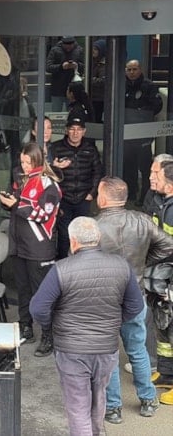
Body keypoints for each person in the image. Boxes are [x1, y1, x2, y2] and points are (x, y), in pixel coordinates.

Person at [30, 216, 144, 436]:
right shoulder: (122, 265)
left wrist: (51, 327)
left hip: (71, 350)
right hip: (106, 347)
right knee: (98, 398)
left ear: (73, 241)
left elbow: (38, 308)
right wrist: (114, 322)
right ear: (98, 238)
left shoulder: (61, 269)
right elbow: (136, 306)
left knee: (78, 407)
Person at [95, 177, 173, 423]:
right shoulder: (141, 220)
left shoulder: (94, 225)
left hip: (105, 297)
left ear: (104, 197)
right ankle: (148, 400)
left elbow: (79, 261)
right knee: (137, 350)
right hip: (134, 294)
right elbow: (168, 245)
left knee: (109, 354)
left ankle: (114, 408)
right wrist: (142, 263)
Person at [0, 142, 61, 356]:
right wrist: (6, 200)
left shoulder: (49, 184)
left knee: (42, 293)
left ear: (38, 161)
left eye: (28, 162)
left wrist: (14, 204)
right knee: (22, 289)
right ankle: (26, 327)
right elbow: (15, 205)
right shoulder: (20, 178)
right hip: (18, 244)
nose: (24, 166)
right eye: (22, 162)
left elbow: (42, 215)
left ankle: (48, 335)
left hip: (39, 247)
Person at [48, 116, 103, 258]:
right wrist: (55, 167)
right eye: (72, 129)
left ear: (84, 131)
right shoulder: (56, 148)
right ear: (67, 130)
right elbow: (48, 174)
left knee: (83, 236)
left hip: (84, 199)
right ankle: (63, 265)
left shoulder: (90, 149)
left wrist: (92, 193)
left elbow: (98, 172)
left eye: (79, 129)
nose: (75, 132)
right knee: (65, 236)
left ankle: (82, 263)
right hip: (63, 199)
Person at [124, 60, 163, 205]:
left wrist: (141, 112)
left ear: (140, 70)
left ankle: (144, 197)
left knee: (145, 167)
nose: (132, 72)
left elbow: (157, 105)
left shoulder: (149, 86)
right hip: (126, 132)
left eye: (135, 69)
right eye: (129, 69)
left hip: (143, 133)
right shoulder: (121, 85)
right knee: (128, 165)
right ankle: (131, 193)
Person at [150, 161, 173, 404]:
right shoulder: (163, 203)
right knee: (164, 327)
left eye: (157, 174)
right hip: (163, 276)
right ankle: (166, 374)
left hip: (171, 278)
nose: (153, 177)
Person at [46, 36, 85, 112]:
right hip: (58, 87)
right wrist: (61, 67)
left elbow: (85, 66)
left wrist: (76, 65)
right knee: (56, 112)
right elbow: (48, 67)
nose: (68, 47)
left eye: (70, 45)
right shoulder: (55, 50)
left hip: (72, 88)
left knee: (72, 111)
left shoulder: (79, 50)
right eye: (66, 45)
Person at [90, 39, 107, 123]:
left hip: (100, 98)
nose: (93, 51)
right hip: (93, 96)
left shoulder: (104, 64)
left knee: (97, 119)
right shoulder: (92, 62)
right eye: (92, 48)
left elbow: (103, 81)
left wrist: (89, 79)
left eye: (96, 49)